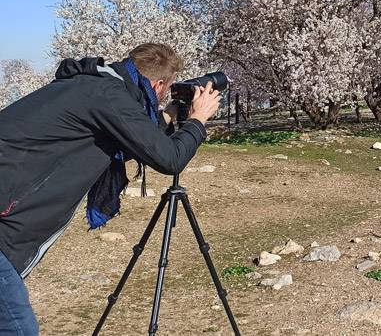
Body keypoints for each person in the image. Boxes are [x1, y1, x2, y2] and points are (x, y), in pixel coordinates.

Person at [0, 43, 220, 335]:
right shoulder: (108, 96)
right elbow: (170, 159)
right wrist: (198, 120)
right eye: (166, 91)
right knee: (18, 329)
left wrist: (167, 116)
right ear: (157, 84)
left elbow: (133, 143)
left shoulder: (94, 85)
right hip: (6, 222)